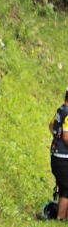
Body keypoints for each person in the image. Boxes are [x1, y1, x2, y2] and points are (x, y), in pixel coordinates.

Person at [49, 87, 68, 220]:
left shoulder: (61, 110)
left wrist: (57, 137)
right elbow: (67, 137)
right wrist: (61, 138)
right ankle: (61, 218)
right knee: (67, 188)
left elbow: (51, 125)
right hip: (63, 157)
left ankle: (62, 218)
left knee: (63, 187)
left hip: (56, 154)